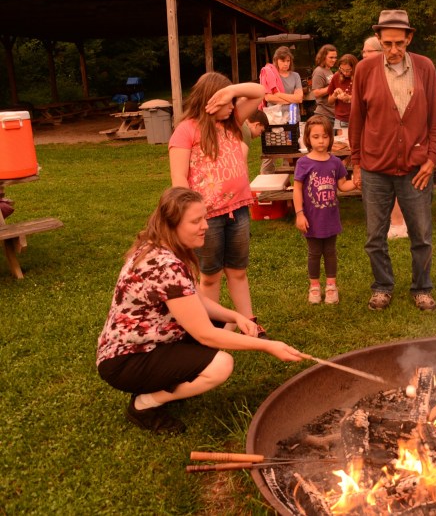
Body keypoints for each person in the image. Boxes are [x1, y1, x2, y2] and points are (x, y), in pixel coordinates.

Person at [96, 187, 303, 433]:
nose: (205, 225)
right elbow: (205, 334)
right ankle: (145, 403)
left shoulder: (161, 247)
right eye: (195, 221)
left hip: (151, 342)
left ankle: (169, 380)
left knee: (225, 323)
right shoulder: (165, 266)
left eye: (204, 217)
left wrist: (236, 316)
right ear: (172, 224)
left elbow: (195, 300)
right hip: (127, 360)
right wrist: (267, 346)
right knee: (221, 365)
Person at [349, 10, 436, 312]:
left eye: (399, 43)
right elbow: (356, 121)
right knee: (374, 237)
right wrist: (356, 164)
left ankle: (422, 288)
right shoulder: (365, 69)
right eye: (387, 43)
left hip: (415, 169)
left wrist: (431, 160)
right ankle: (382, 286)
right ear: (378, 39)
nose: (393, 50)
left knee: (422, 235)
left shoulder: (425, 68)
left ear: (409, 39)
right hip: (375, 168)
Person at [168, 72, 264, 323]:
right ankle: (209, 327)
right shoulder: (186, 130)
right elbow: (178, 178)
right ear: (210, 101)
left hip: (238, 210)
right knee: (210, 276)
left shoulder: (232, 122)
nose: (232, 106)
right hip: (207, 217)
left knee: (238, 271)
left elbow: (259, 91)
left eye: (233, 101)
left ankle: (249, 323)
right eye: (227, 102)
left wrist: (231, 92)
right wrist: (189, 216)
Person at [292, 116, 357, 304]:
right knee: (314, 253)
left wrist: (356, 183)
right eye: (316, 137)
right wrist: (299, 214)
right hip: (311, 219)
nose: (321, 141)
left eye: (325, 136)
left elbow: (342, 186)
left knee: (330, 252)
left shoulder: (335, 162)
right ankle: (314, 287)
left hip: (330, 218)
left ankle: (331, 286)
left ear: (330, 138)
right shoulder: (303, 163)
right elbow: (297, 189)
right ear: (308, 138)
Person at [361, 37, 407, 240]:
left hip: (391, 137)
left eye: (368, 51)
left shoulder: (391, 74)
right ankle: (389, 222)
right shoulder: (367, 72)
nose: (364, 55)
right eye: (363, 51)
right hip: (375, 137)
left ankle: (398, 223)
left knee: (394, 178)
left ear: (380, 52)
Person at [260, 46, 304, 110]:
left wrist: (278, 94)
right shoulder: (270, 74)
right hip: (275, 114)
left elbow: (299, 99)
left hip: (292, 114)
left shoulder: (295, 76)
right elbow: (268, 98)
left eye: (288, 61)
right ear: (276, 61)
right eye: (283, 61)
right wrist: (292, 100)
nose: (286, 64)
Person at [326, 54, 357, 132]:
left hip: (358, 118)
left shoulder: (360, 76)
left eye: (348, 70)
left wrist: (349, 98)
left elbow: (366, 99)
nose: (345, 73)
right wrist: (335, 95)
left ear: (354, 68)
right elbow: (329, 101)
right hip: (341, 119)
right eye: (342, 69)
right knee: (341, 140)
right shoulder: (336, 76)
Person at [311, 44, 338, 123]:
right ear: (323, 57)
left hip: (332, 115)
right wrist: (333, 86)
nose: (334, 60)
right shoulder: (319, 71)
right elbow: (316, 93)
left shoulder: (328, 70)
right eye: (331, 57)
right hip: (324, 115)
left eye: (335, 57)